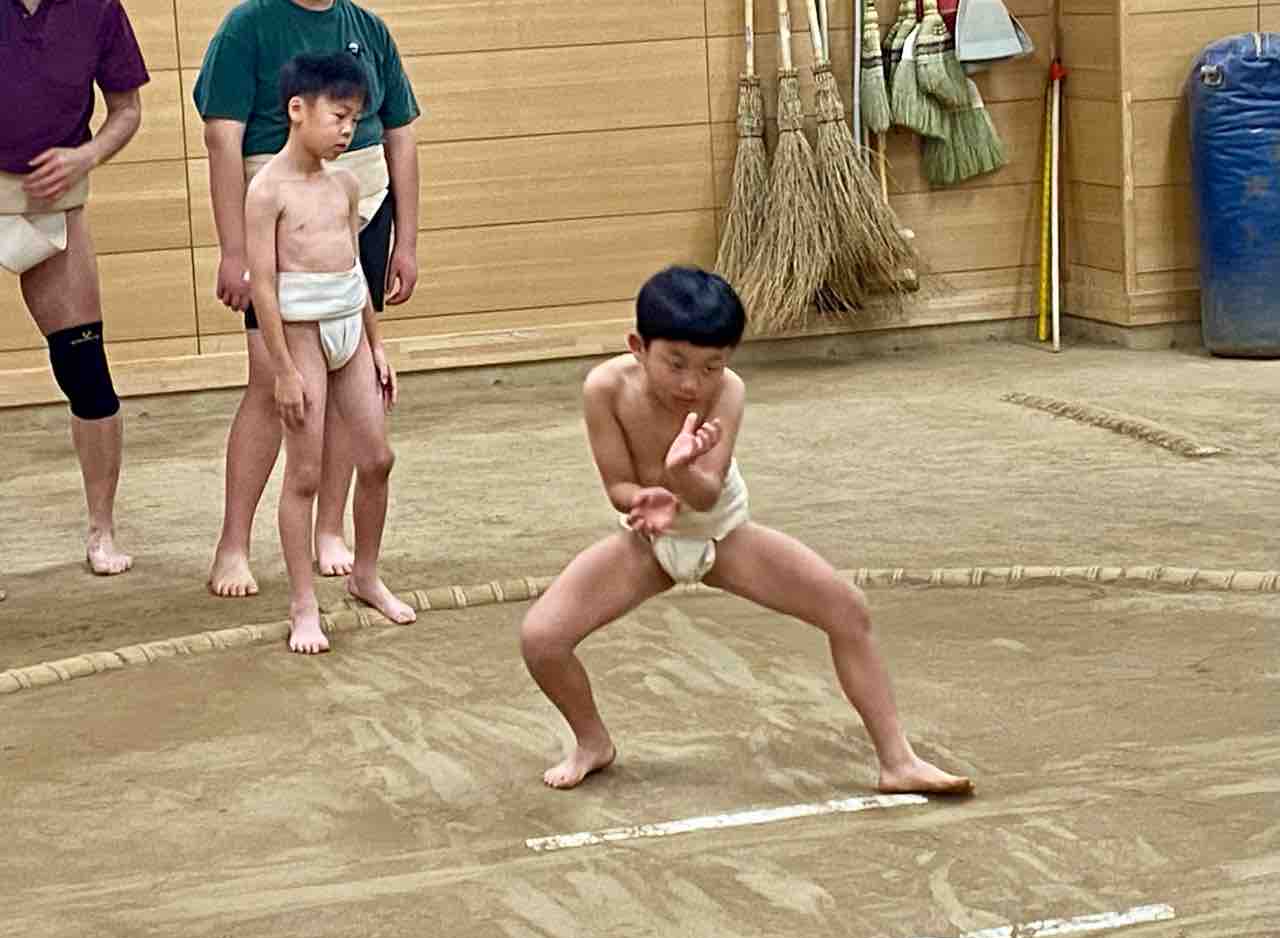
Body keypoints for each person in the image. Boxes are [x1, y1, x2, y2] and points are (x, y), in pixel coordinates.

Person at [519, 266, 975, 793]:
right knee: (541, 639)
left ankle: (898, 762)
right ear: (638, 347)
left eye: (711, 366)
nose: (692, 384)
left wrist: (679, 473)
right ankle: (592, 742)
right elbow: (618, 483)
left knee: (849, 611)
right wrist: (642, 498)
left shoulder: (728, 392)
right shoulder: (604, 388)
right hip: (648, 542)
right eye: (675, 363)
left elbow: (707, 494)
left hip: (725, 535)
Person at [193, 0, 421, 598]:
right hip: (279, 217)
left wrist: (407, 242)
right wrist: (233, 249)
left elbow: (400, 133)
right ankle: (234, 543)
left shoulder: (369, 28)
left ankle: (331, 529)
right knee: (273, 379)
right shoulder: (248, 26)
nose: (345, 122)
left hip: (360, 205)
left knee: (347, 377)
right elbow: (222, 138)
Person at [245, 52, 416, 654]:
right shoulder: (267, 191)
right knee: (306, 474)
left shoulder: (346, 184)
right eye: (339, 117)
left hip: (350, 328)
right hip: (301, 338)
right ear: (298, 109)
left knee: (378, 458)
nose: (349, 130)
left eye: (355, 119)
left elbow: (354, 271)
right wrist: (283, 372)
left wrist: (378, 344)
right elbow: (263, 288)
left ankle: (366, 575)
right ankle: (302, 604)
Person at [0, 0, 149, 578]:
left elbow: (127, 108)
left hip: (53, 199)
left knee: (86, 370)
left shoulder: (97, 7)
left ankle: (101, 530)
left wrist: (86, 156)